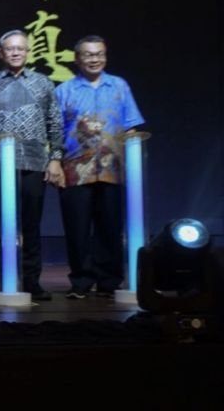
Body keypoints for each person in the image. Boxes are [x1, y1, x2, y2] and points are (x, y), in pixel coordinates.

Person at [0, 29, 64, 301]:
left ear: (28, 52)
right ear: (1, 53)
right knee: (0, 226)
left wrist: (55, 158)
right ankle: (3, 280)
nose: (15, 52)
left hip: (34, 163)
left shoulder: (43, 83)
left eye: (20, 48)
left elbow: (55, 122)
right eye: (10, 48)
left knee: (31, 226)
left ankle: (32, 282)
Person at [55, 35, 145, 299]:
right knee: (77, 229)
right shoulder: (64, 90)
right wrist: (55, 163)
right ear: (77, 59)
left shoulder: (119, 86)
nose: (94, 59)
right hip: (74, 169)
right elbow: (54, 131)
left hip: (112, 169)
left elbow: (131, 126)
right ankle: (81, 281)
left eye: (99, 54)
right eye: (88, 55)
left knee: (110, 227)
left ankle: (109, 281)